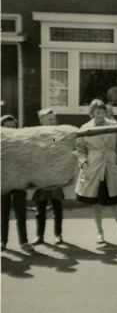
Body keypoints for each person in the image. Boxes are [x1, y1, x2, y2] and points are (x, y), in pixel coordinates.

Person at [75, 99, 117, 244]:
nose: (100, 114)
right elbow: (80, 148)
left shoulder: (113, 126)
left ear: (106, 112)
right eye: (97, 111)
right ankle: (100, 233)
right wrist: (83, 162)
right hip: (94, 168)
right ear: (91, 112)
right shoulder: (85, 127)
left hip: (110, 167)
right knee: (96, 202)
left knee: (114, 202)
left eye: (102, 111)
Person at [31, 108, 64, 246]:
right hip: (41, 175)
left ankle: (58, 235)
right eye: (49, 119)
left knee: (57, 207)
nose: (53, 121)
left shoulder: (58, 134)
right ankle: (40, 235)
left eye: (54, 119)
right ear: (42, 121)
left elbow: (57, 147)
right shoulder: (36, 135)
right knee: (40, 209)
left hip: (55, 174)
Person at [1, 114, 33, 253]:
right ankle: (3, 241)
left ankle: (24, 242)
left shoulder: (22, 142)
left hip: (19, 179)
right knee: (3, 213)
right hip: (4, 180)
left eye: (13, 127)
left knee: (21, 211)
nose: (11, 130)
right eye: (7, 127)